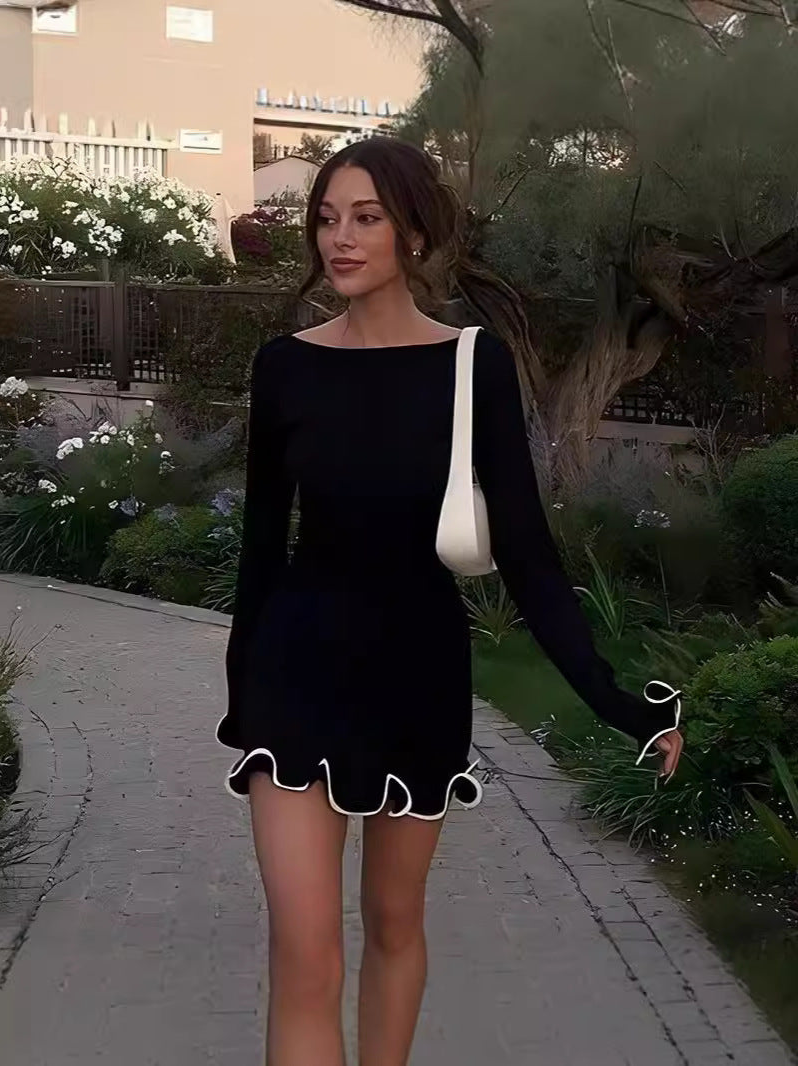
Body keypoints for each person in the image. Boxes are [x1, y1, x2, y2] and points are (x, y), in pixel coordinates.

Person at [215, 136, 684, 1066]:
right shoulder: (286, 367)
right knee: (304, 955)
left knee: (394, 924)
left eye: (366, 218)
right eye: (325, 219)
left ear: (416, 234)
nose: (339, 239)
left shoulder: (473, 367)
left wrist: (616, 704)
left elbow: (528, 557)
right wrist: (242, 696)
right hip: (295, 677)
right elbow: (260, 549)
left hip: (416, 673)